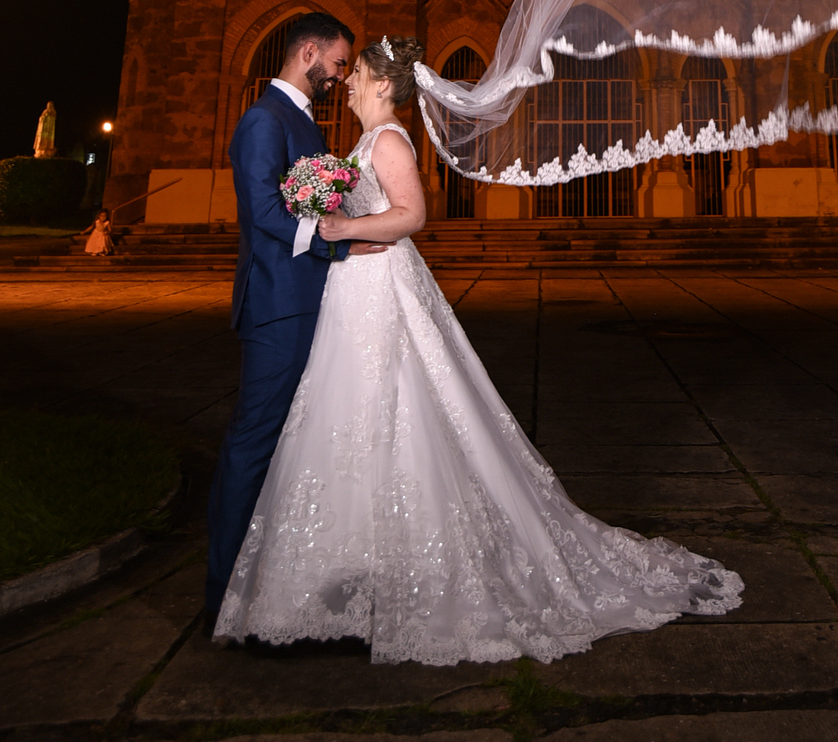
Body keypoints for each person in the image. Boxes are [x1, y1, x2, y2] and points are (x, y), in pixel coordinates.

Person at [214, 34, 743, 664]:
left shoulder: (386, 140)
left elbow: (412, 215)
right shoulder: (360, 141)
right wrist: (330, 216)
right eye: (345, 68)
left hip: (376, 285)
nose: (347, 80)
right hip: (352, 293)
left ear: (384, 85)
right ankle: (351, 566)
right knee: (356, 420)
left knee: (392, 411)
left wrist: (342, 226)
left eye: (357, 73)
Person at [205, 12, 386, 626]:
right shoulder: (263, 121)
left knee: (296, 447)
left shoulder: (304, 121)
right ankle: (223, 593)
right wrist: (340, 243)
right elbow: (263, 214)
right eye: (337, 63)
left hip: (314, 304)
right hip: (279, 308)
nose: (340, 76)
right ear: (307, 51)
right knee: (254, 444)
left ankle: (274, 584)